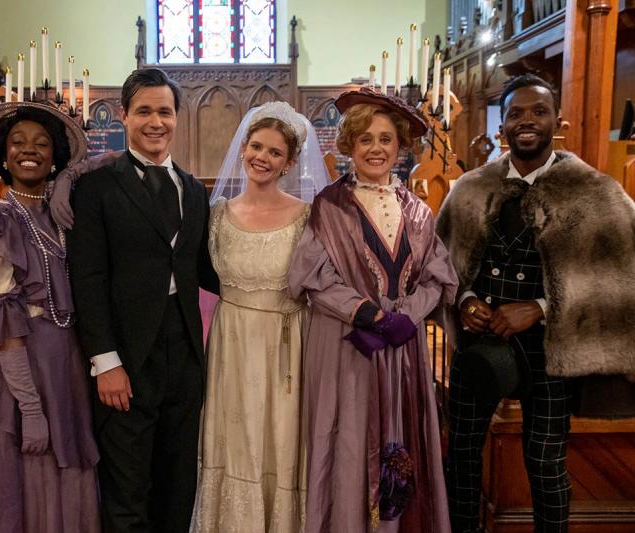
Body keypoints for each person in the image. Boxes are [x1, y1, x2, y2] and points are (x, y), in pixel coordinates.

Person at [436, 73, 635, 533]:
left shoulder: (597, 193)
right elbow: (440, 261)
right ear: (502, 125)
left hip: (551, 352)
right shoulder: (469, 188)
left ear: (557, 122)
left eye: (538, 112)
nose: (527, 121)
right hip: (479, 346)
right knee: (461, 450)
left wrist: (543, 307)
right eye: (516, 113)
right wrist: (465, 298)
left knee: (545, 461)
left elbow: (618, 278)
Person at [288, 87, 457, 532]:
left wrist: (406, 315)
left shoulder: (418, 212)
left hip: (401, 348)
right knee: (348, 440)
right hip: (348, 343)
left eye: (385, 139)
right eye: (365, 139)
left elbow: (438, 276)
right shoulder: (329, 206)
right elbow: (311, 276)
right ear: (350, 145)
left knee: (397, 443)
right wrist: (369, 315)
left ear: (400, 146)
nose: (375, 148)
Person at [68, 67, 218, 532]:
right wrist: (105, 361)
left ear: (177, 117)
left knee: (178, 485)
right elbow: (88, 278)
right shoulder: (96, 187)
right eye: (145, 111)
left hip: (184, 355)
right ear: (124, 116)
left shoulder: (193, 190)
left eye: (165, 112)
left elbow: (206, 270)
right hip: (127, 357)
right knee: (128, 490)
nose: (156, 122)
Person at [0, 101, 100, 532]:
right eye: (17, 142)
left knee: (74, 469)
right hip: (26, 370)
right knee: (35, 475)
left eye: (42, 143)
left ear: (56, 155)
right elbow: (3, 329)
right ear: (3, 153)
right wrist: (30, 409)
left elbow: (111, 160)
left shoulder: (65, 214)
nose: (29, 150)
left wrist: (68, 178)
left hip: (70, 365)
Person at [191, 101, 330, 532]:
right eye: (256, 147)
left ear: (289, 162)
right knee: (233, 439)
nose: (262, 158)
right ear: (243, 149)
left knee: (280, 439)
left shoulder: (307, 216)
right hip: (230, 344)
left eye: (274, 152)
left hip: (286, 344)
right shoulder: (217, 214)